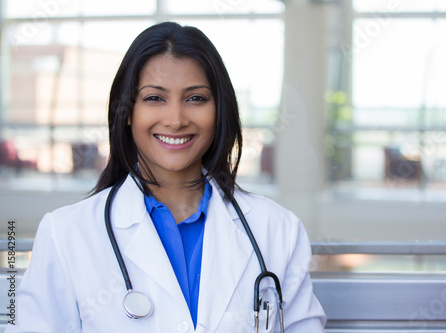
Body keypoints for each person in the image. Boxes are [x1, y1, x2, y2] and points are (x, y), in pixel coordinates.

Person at [7, 22, 326, 332]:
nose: (175, 119)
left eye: (196, 98)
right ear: (128, 112)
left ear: (220, 110)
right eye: (154, 98)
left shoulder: (277, 231)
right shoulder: (67, 235)